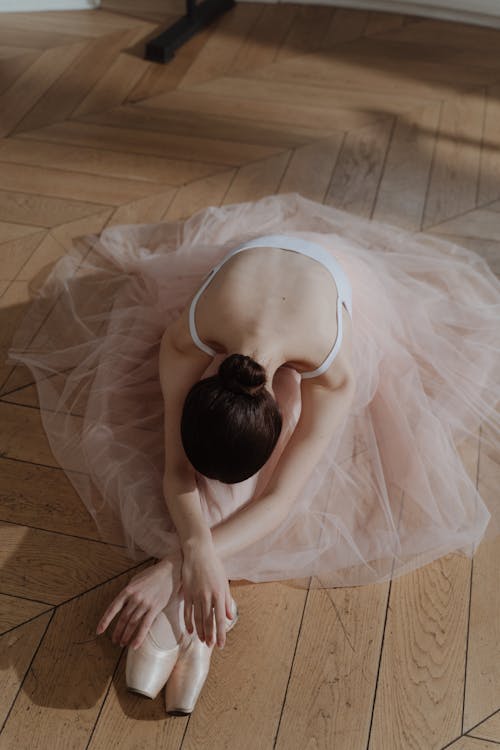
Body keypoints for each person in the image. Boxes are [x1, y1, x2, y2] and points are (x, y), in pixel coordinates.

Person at [7, 192, 500, 711]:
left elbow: (281, 499)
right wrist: (194, 558)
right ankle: (200, 624)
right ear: (205, 378)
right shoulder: (185, 344)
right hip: (245, 287)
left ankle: (184, 618)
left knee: (289, 403)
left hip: (326, 281)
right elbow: (177, 469)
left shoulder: (332, 372)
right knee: (216, 451)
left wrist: (174, 564)